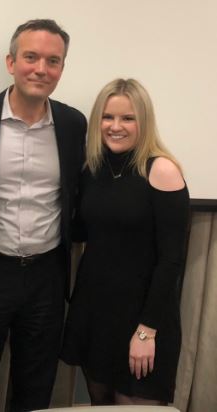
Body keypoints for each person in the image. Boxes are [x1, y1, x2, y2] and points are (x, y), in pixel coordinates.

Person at [0, 19, 87, 412]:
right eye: (31, 57)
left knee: (35, 390)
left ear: (62, 68)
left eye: (53, 60)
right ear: (11, 62)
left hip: (46, 276)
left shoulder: (72, 123)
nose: (41, 69)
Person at [61, 78, 190, 406]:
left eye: (127, 118)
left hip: (141, 320)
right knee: (99, 404)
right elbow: (82, 233)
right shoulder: (92, 169)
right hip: (95, 312)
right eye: (107, 117)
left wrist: (147, 331)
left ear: (143, 122)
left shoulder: (161, 170)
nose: (115, 126)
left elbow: (172, 260)